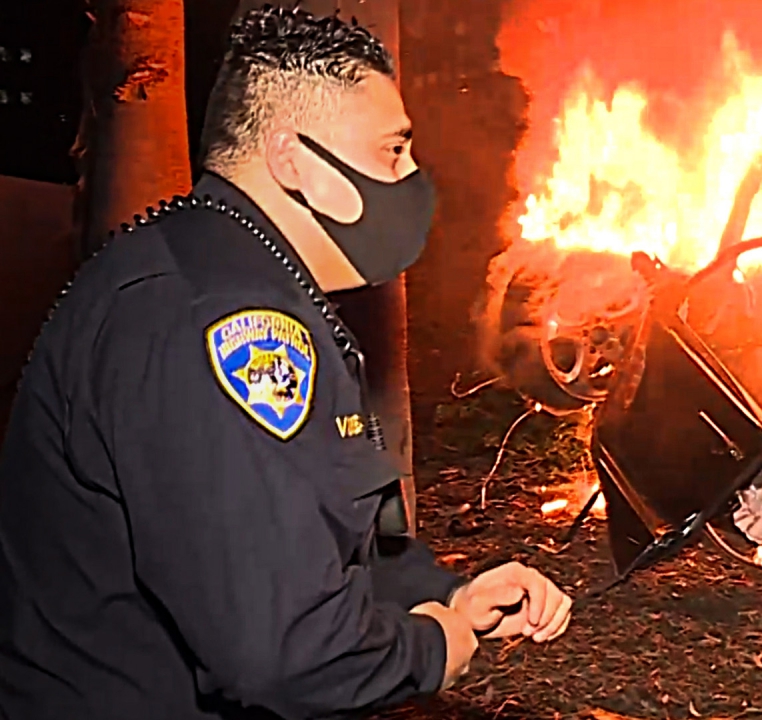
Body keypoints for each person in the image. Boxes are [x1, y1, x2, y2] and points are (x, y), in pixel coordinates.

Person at [0, 6, 571, 719]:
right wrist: (427, 647)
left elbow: (336, 533)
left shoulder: (258, 284)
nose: (414, 176)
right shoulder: (217, 320)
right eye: (393, 151)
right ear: (293, 161)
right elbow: (280, 650)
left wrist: (446, 593)